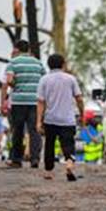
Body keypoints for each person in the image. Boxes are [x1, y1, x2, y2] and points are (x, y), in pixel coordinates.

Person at [36, 53, 83, 182]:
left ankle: (48, 171)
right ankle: (69, 162)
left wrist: (38, 121)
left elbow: (41, 102)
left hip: (50, 119)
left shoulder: (44, 80)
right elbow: (79, 98)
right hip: (67, 120)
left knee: (49, 145)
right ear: (63, 64)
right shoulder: (70, 79)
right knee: (68, 144)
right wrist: (82, 113)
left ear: (49, 65)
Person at [2, 39, 45, 168]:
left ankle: (16, 160)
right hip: (35, 101)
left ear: (17, 49)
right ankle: (35, 159)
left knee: (18, 130)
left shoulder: (13, 63)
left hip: (18, 101)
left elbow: (9, 80)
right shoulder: (38, 63)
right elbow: (44, 81)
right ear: (29, 49)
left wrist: (16, 84)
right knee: (34, 130)